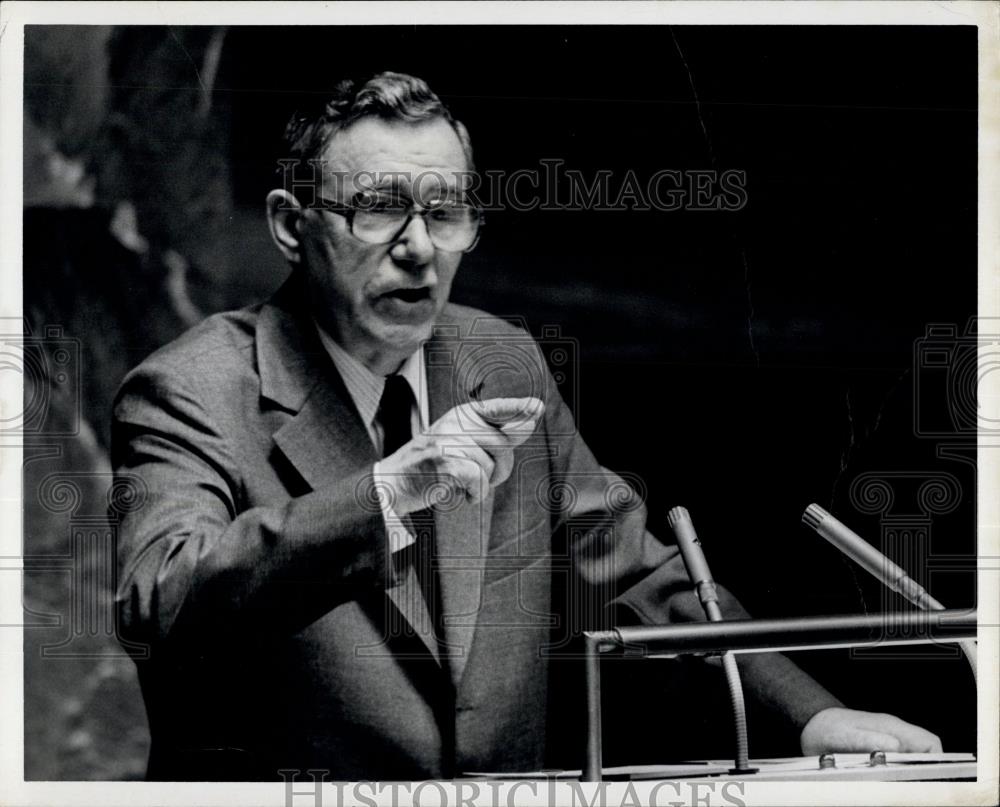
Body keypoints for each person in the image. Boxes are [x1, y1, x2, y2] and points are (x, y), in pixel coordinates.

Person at [112, 71, 942, 781]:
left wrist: (810, 716)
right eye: (379, 208)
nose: (419, 248)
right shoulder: (191, 387)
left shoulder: (500, 359)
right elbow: (159, 602)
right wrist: (387, 492)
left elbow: (633, 577)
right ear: (291, 225)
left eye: (445, 212)